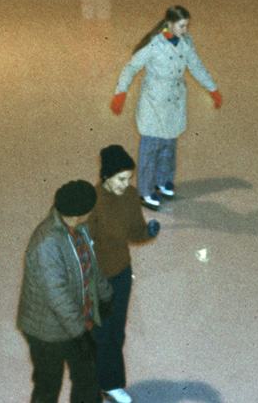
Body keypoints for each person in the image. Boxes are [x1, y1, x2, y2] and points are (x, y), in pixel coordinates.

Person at [110, 6, 222, 209]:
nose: (185, 30)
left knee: (169, 144)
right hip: (154, 99)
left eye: (187, 25)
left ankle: (162, 181)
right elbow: (131, 67)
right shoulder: (155, 44)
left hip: (175, 98)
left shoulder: (186, 42)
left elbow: (196, 66)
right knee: (151, 146)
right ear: (169, 24)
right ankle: (145, 191)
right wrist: (121, 92)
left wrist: (212, 89)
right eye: (181, 26)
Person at [17, 180, 114, 403]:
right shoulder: (46, 243)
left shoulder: (80, 228)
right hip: (46, 331)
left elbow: (91, 265)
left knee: (88, 380)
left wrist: (105, 293)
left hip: (76, 321)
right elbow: (57, 296)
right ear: (80, 213)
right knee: (48, 385)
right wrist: (80, 334)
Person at [90, 145, 161, 403]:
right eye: (121, 179)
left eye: (129, 178)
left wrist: (147, 233)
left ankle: (112, 385)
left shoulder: (130, 197)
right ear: (106, 176)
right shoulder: (94, 203)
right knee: (99, 335)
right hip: (96, 279)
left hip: (121, 274)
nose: (126, 184)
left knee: (116, 333)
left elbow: (134, 231)